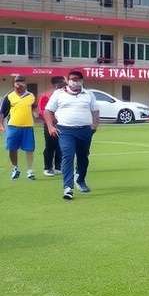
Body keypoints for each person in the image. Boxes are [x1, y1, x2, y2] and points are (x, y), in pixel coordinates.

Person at [44, 70, 99, 200]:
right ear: (68, 80)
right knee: (67, 156)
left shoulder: (88, 94)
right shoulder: (59, 94)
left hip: (85, 130)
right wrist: (50, 126)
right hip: (65, 131)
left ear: (82, 81)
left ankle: (80, 179)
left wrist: (94, 125)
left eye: (77, 79)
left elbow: (95, 111)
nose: (75, 81)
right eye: (72, 79)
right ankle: (68, 187)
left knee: (83, 157)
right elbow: (48, 111)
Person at [2, 76, 37, 180]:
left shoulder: (31, 96)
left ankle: (30, 171)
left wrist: (36, 113)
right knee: (12, 148)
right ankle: (15, 168)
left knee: (29, 149)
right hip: (13, 126)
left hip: (28, 127)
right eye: (17, 82)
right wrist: (1, 125)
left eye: (21, 82)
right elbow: (2, 112)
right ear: (14, 84)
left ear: (25, 84)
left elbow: (34, 108)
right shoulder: (9, 96)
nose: (19, 84)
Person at [38, 76, 66, 176]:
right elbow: (42, 111)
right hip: (50, 124)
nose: (65, 84)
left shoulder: (65, 94)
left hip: (62, 124)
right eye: (63, 82)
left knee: (60, 146)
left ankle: (58, 167)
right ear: (56, 84)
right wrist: (51, 121)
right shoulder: (46, 95)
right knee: (50, 146)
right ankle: (48, 168)